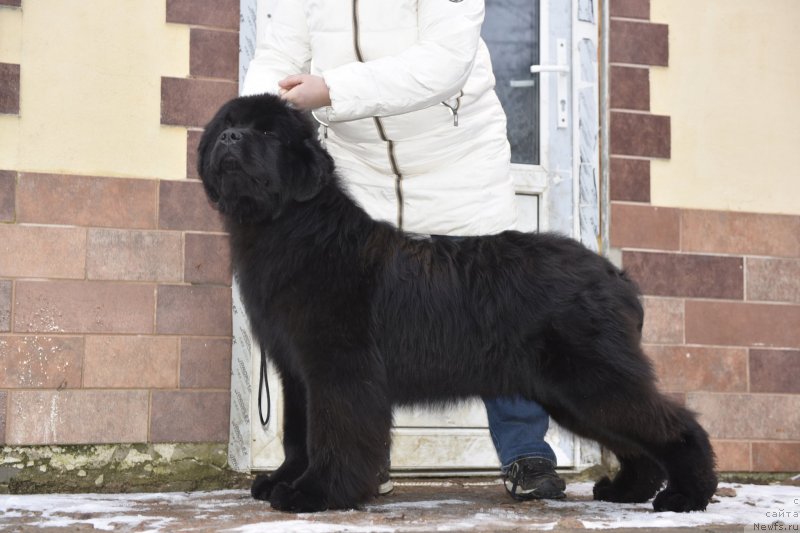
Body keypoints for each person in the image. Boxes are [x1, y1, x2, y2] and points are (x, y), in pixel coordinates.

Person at [242, 0, 565, 501]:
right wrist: (259, 111)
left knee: (497, 312)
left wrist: (331, 88)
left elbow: (444, 61)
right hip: (360, 169)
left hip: (455, 161)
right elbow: (276, 55)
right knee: (358, 331)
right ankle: (359, 457)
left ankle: (525, 451)